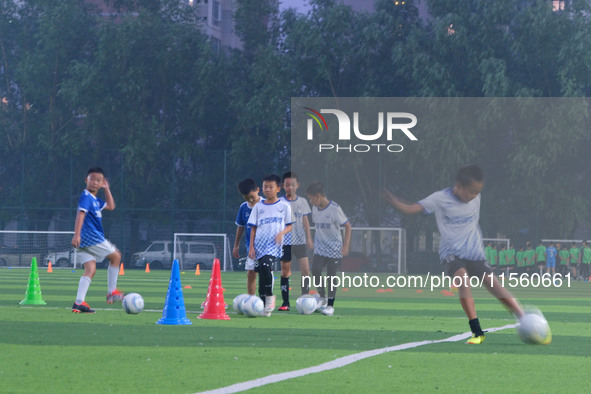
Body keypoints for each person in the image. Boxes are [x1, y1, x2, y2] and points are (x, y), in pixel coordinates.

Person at [382, 164, 524, 344]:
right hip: (451, 252)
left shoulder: (475, 196)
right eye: (470, 191)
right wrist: (394, 200)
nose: (473, 195)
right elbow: (412, 209)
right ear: (458, 185)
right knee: (463, 280)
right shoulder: (440, 198)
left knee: (493, 284)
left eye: (477, 191)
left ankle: (523, 317)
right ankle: (477, 331)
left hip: (474, 251)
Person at [71, 167, 124, 313]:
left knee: (90, 270)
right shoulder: (86, 197)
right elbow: (80, 214)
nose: (95, 182)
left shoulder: (95, 200)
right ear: (86, 180)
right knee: (116, 256)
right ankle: (112, 292)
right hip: (90, 237)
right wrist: (77, 234)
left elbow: (111, 206)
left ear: (102, 183)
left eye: (99, 180)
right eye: (92, 178)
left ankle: (78, 303)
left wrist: (107, 189)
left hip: (84, 240)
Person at [248, 174, 293, 317]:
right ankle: (262, 306)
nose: (267, 190)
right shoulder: (258, 207)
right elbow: (253, 228)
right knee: (261, 271)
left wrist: (281, 233)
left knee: (266, 266)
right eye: (265, 187)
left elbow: (290, 226)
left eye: (270, 187)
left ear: (278, 189)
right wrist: (251, 247)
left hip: (274, 246)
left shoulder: (283, 206)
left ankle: (270, 297)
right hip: (259, 246)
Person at [306, 181, 351, 316]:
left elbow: (348, 226)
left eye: (311, 198)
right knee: (316, 270)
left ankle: (330, 306)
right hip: (320, 248)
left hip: (334, 249)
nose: (310, 201)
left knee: (331, 276)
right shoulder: (315, 208)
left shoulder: (334, 209)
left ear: (318, 196)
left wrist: (346, 246)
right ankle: (322, 297)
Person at [278, 172, 313, 311]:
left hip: (300, 242)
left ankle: (305, 298)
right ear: (283, 186)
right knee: (285, 272)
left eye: (292, 184)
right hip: (285, 243)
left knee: (305, 271)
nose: (290, 187)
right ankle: (285, 303)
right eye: (287, 185)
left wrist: (309, 238)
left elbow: (305, 221)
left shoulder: (302, 202)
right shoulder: (280, 202)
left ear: (297, 185)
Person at [233, 178, 263, 295]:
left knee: (265, 272)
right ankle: (252, 300)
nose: (250, 200)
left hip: (266, 246)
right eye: (246, 198)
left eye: (252, 196)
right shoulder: (243, 208)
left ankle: (266, 298)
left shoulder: (266, 205)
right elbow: (240, 227)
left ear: (257, 190)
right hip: (251, 247)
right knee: (251, 273)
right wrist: (236, 246)